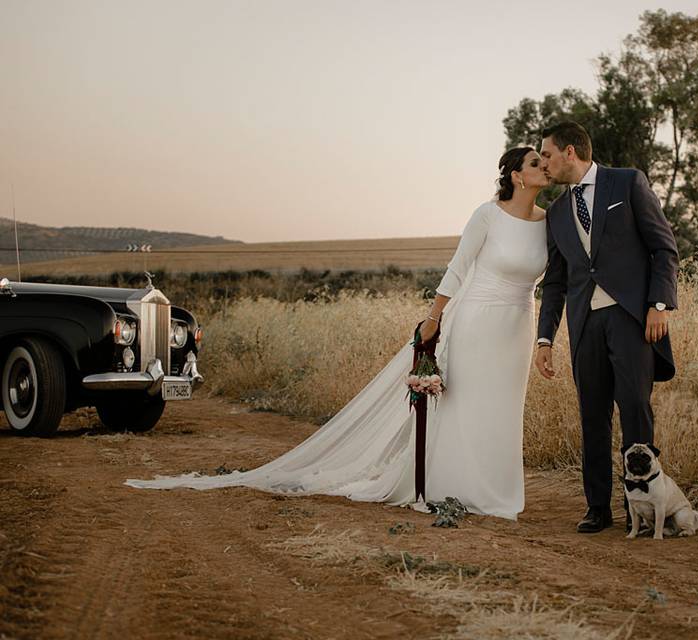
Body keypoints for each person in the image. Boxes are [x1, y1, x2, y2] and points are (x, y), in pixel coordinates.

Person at [126, 147, 549, 521]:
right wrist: (434, 317)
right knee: (467, 404)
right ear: (515, 175)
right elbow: (458, 267)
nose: (543, 168)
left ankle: (498, 492)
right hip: (477, 319)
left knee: (504, 406)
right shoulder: (487, 215)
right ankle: (458, 487)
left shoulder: (549, 222)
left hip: (518, 324)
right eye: (535, 163)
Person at [534, 121, 679, 534]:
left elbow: (663, 247)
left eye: (546, 154)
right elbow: (556, 282)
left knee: (635, 410)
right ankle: (598, 508)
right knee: (592, 418)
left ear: (570, 152)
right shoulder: (558, 212)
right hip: (585, 326)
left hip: (632, 319)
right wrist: (545, 337)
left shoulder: (627, 183)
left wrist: (658, 304)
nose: (544, 163)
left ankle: (648, 508)